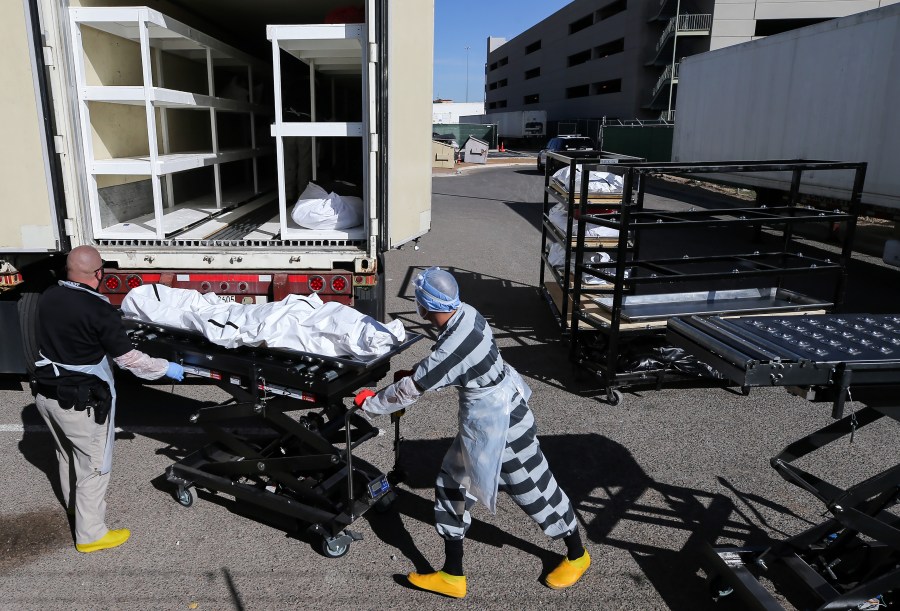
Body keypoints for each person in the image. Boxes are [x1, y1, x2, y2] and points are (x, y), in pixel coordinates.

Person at [354, 267, 590, 598]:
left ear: (424, 306)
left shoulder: (452, 347)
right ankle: (452, 575)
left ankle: (578, 555)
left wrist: (370, 403)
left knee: (533, 489)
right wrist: (423, 373)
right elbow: (444, 367)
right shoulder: (468, 313)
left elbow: (415, 386)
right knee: (451, 485)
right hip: (485, 420)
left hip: (503, 425)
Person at [32, 245, 185, 553]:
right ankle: (91, 536)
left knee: (67, 455)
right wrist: (165, 367)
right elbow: (129, 359)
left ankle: (76, 509)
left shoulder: (49, 296)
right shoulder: (98, 310)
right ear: (98, 274)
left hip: (47, 396)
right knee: (94, 467)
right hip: (80, 402)